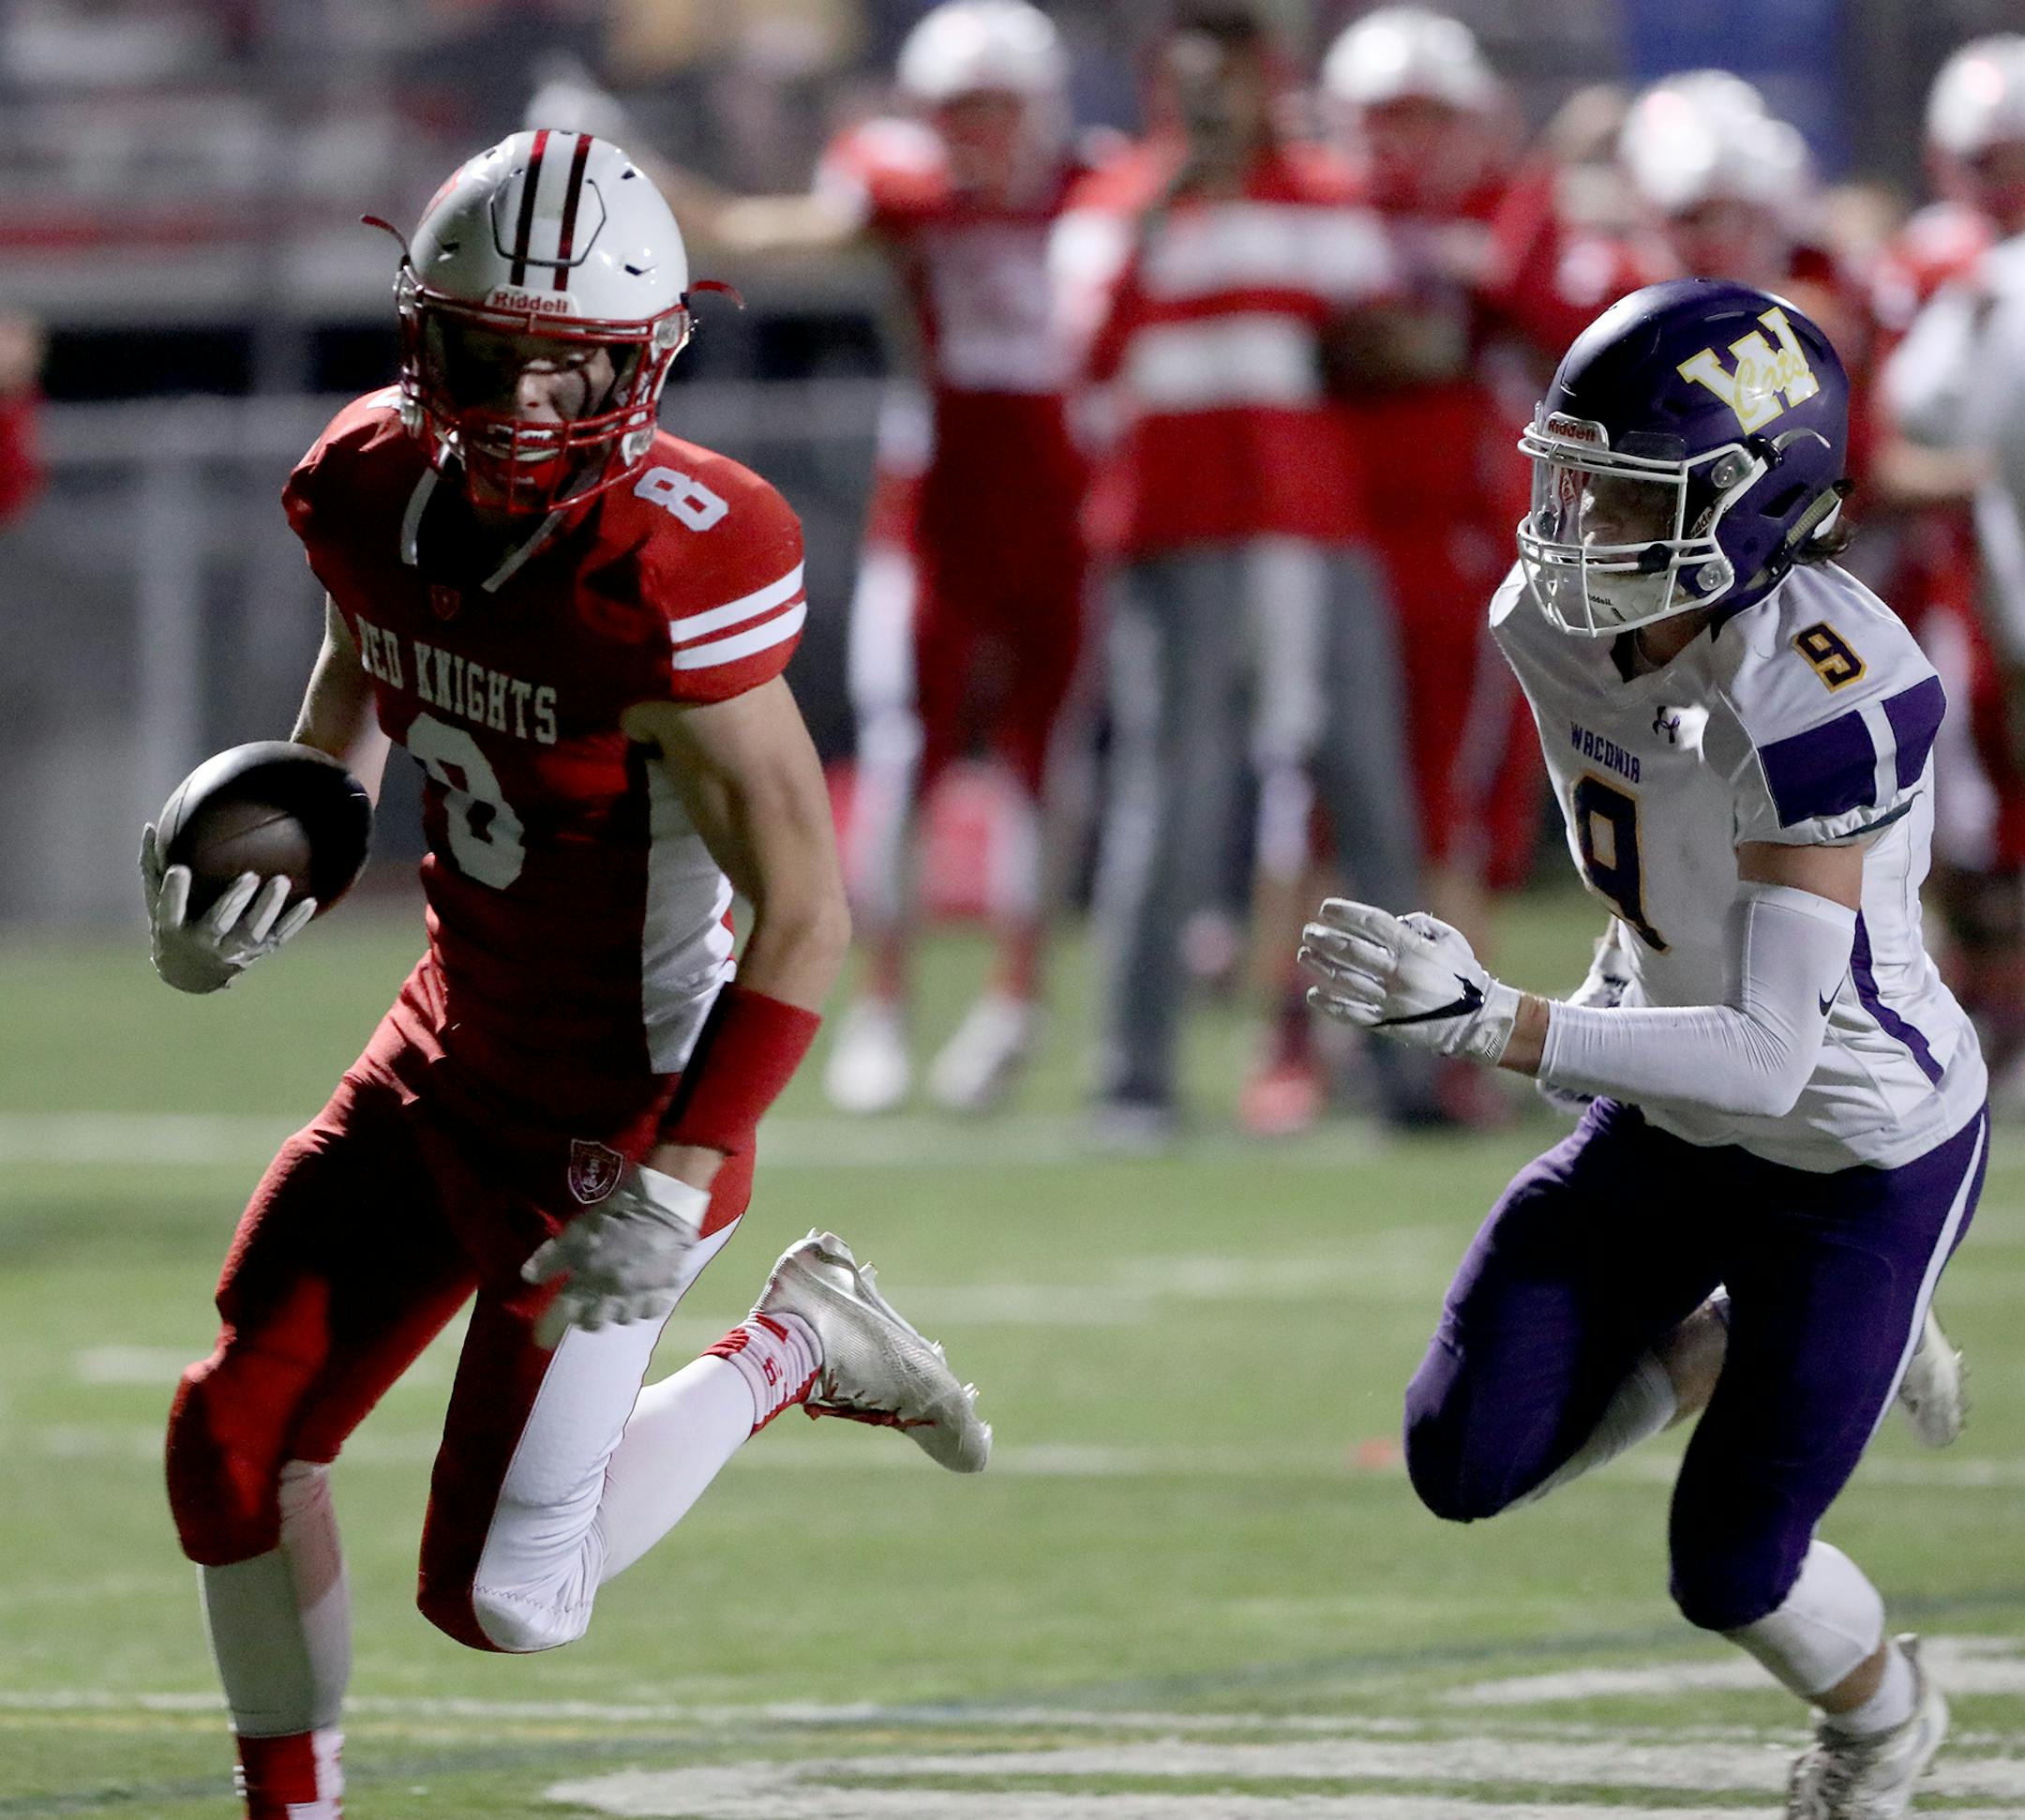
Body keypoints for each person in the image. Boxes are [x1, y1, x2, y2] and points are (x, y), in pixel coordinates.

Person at [141, 132, 990, 1820]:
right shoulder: (369, 481)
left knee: (510, 1600)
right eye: (490, 352)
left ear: (645, 358)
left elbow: (808, 910)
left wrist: (676, 1183)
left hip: (625, 1100)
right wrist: (267, 865)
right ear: (420, 334)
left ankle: (793, 1347)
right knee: (231, 1435)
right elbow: (358, 689)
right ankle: (286, 1808)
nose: (529, 400)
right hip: (448, 1040)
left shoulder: (680, 563)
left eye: (572, 362)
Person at [1301, 279, 1983, 1818]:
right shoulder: (1550, 617)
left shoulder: (1830, 694)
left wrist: (1494, 1017)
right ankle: (1729, 1332)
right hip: (1675, 1112)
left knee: (1730, 1564)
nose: (1581, 514)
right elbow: (1663, 885)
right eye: (1577, 471)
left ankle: (1885, 1726)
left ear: (1762, 502)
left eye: (1627, 486)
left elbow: (1771, 1056)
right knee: (1460, 1457)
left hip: (1847, 1150)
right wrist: (1577, 1006)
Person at [548, 1, 1099, 1115]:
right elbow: (749, 235)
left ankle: (1013, 999)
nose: (981, 132)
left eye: (999, 107)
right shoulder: (906, 192)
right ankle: (886, 1003)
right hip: (941, 511)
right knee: (905, 753)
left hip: (1066, 515)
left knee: (1049, 763)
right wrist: (628, 164)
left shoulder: (1101, 193)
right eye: (962, 110)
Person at [1057, 0, 1423, 1143]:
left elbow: (1379, 342)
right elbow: (1084, 350)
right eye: (1196, 80)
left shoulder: (1322, 194)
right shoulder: (1119, 204)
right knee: (1173, 796)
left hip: (1315, 527)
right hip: (1181, 529)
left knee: (1368, 787)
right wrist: (1166, 212)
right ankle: (1135, 1070)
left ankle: (1410, 1066)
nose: (1216, 103)